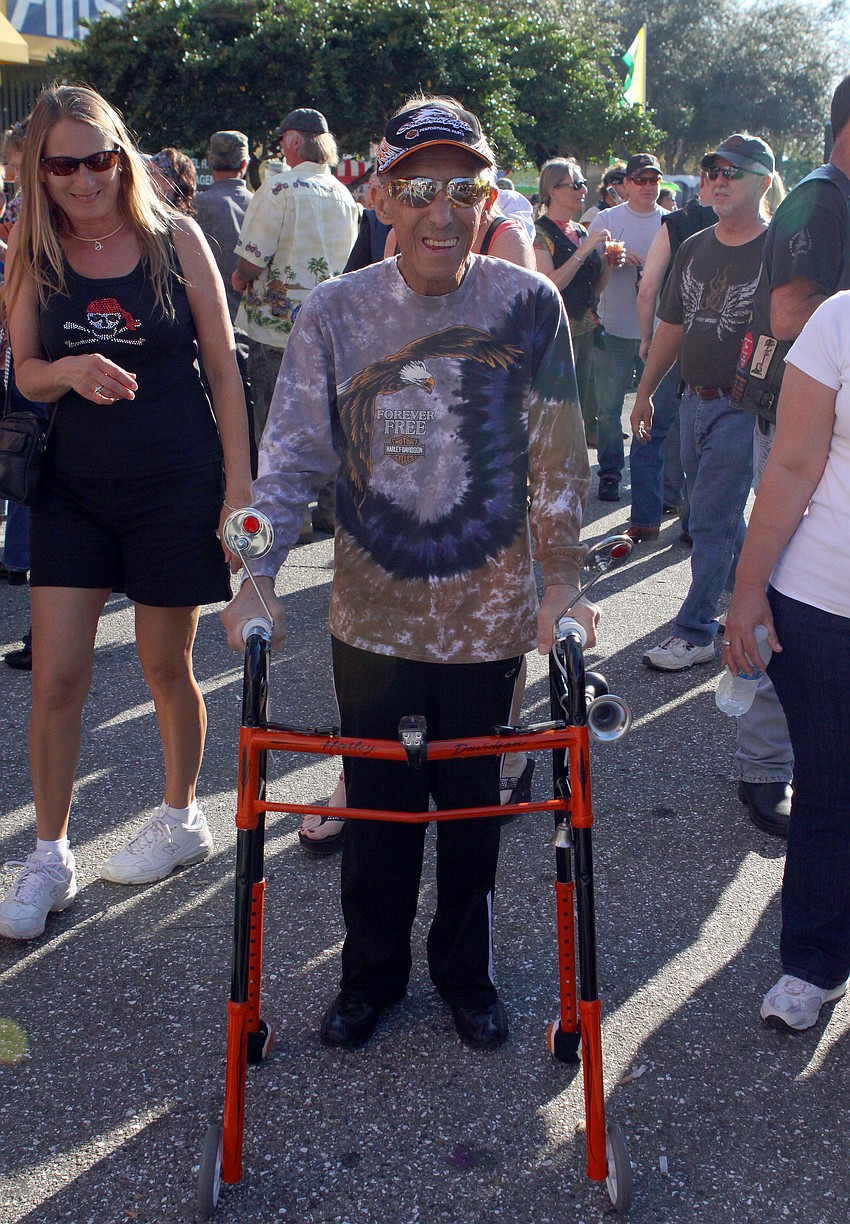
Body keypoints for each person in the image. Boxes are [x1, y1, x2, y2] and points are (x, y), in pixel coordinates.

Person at [222, 95, 598, 1051]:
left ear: (489, 200)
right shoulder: (335, 311)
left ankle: (465, 975)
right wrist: (255, 575)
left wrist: (563, 580)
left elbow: (558, 455)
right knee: (379, 811)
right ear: (381, 196)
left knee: (473, 818)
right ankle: (372, 977)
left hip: (489, 615)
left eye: (463, 189)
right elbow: (290, 462)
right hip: (373, 615)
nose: (442, 210)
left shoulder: (530, 305)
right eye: (419, 187)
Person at [0, 84, 252, 941]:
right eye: (61, 165)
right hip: (72, 490)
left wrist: (240, 489)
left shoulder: (176, 238)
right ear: (38, 171)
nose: (83, 179)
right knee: (57, 678)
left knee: (163, 666)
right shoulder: (34, 250)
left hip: (175, 483)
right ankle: (49, 853)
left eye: (98, 159)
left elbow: (224, 367)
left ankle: (182, 817)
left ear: (122, 156)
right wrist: (69, 372)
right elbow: (25, 372)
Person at [723, 291, 850, 1031]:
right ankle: (815, 962)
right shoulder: (839, 320)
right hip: (824, 604)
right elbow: (794, 462)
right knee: (830, 792)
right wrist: (748, 590)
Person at [729, 77, 850, 839]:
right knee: (787, 590)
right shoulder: (822, 198)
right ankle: (766, 768)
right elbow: (788, 311)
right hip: (803, 424)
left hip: (822, 416)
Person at [634, 134, 774, 672]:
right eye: (712, 170)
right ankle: (763, 603)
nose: (718, 180)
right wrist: (645, 393)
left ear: (763, 182)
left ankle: (695, 632)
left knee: (711, 520)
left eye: (732, 172)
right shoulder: (693, 245)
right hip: (692, 401)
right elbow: (672, 326)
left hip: (744, 409)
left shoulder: (778, 249)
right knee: (718, 515)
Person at [232, 107, 359, 447]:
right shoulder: (343, 195)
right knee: (320, 431)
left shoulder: (278, 188)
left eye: (283, 142)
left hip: (276, 333)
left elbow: (252, 258)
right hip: (327, 330)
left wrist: (239, 277)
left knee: (273, 429)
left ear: (295, 142)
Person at [627, 174, 716, 542]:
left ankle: (646, 519)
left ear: (701, 180)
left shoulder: (677, 224)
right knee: (703, 438)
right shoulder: (752, 224)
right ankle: (694, 524)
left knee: (649, 431)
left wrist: (646, 337)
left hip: (674, 339)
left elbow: (648, 287)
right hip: (720, 347)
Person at [586, 153, 664, 501]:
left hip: (659, 332)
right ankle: (610, 474)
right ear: (626, 184)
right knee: (608, 410)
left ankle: (651, 477)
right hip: (614, 329)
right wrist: (611, 258)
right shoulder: (607, 219)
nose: (648, 186)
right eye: (640, 180)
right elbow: (587, 268)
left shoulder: (670, 222)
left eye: (654, 180)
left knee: (658, 409)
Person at [534, 157, 610, 445]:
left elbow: (595, 290)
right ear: (554, 191)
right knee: (559, 404)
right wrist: (586, 249)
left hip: (585, 328)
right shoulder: (540, 233)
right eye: (576, 185)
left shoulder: (579, 231)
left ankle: (573, 457)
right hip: (557, 331)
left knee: (581, 404)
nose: (583, 190)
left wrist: (609, 265)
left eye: (584, 184)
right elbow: (550, 283)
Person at [194, 130, 256, 472]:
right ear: (244, 163)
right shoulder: (261, 203)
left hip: (206, 327)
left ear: (210, 162)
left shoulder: (196, 206)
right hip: (253, 326)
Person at [146, 147, 197, 215]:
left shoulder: (179, 221)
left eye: (150, 171)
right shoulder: (141, 214)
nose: (144, 175)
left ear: (168, 183)